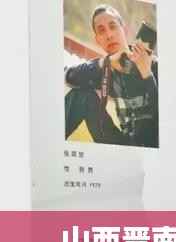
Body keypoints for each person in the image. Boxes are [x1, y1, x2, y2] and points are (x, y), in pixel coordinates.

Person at [65, 4, 158, 148]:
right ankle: (51, 143)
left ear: (124, 30)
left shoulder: (153, 64)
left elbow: (168, 119)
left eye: (113, 26)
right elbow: (70, 77)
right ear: (98, 40)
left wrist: (147, 74)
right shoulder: (106, 68)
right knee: (81, 95)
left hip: (152, 147)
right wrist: (107, 62)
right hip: (123, 144)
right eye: (101, 31)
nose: (109, 35)